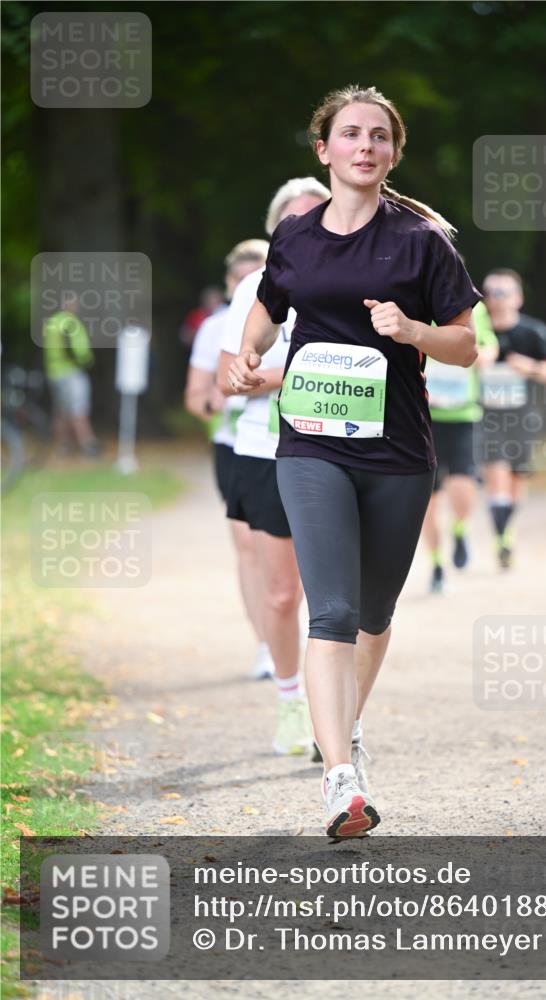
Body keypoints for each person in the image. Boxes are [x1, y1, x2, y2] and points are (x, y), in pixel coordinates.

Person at [226, 85, 480, 838]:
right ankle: (341, 780)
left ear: (392, 153)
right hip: (308, 442)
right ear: (324, 150)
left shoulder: (421, 241)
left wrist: (412, 331)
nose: (364, 146)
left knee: (372, 613)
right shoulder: (297, 237)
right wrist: (246, 357)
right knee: (330, 607)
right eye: (350, 134)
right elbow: (266, 312)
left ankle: (345, 730)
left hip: (397, 450)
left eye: (378, 136)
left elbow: (467, 344)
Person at [218, 177, 331, 755]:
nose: (305, 225)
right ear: (275, 230)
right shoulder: (255, 291)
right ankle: (290, 700)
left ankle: (340, 720)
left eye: (318, 214)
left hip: (345, 450)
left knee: (342, 600)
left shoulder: (361, 275)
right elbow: (227, 380)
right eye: (293, 219)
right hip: (268, 452)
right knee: (285, 595)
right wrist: (304, 374)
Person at [185, 239, 273, 679]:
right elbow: (196, 397)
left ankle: (291, 633)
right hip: (234, 446)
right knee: (248, 545)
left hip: (288, 440)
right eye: (240, 280)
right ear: (229, 284)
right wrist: (214, 401)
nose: (249, 288)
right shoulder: (215, 327)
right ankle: (264, 645)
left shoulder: (295, 315)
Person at [480, 269, 546, 569]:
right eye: (491, 293)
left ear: (518, 298)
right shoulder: (478, 331)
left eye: (504, 293)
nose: (498, 299)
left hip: (522, 417)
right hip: (485, 417)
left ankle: (508, 532)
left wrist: (528, 367)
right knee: (497, 474)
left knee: (517, 477)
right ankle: (501, 536)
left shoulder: (532, 332)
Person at [422, 300, 498, 592]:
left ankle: (460, 529)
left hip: (462, 411)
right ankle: (437, 563)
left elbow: (489, 347)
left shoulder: (472, 308)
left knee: (462, 480)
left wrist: (477, 355)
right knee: (427, 495)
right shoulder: (410, 303)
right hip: (422, 414)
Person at [43, 291, 100, 457]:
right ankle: (88, 444)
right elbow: (75, 350)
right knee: (78, 409)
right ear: (69, 304)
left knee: (61, 411)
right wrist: (86, 361)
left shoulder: (52, 322)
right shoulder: (70, 324)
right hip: (71, 372)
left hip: (54, 372)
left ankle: (62, 446)